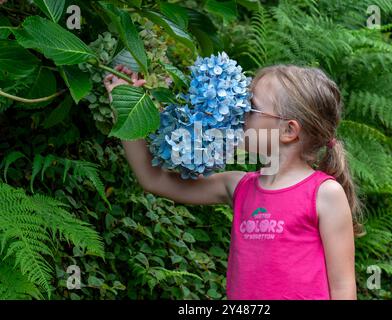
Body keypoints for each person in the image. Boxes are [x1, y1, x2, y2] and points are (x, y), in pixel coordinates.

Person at [103, 63, 364, 300]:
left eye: (251, 107)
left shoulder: (325, 193)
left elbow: (343, 288)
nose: (238, 113)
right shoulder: (239, 187)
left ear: (288, 130)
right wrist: (124, 104)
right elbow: (153, 179)